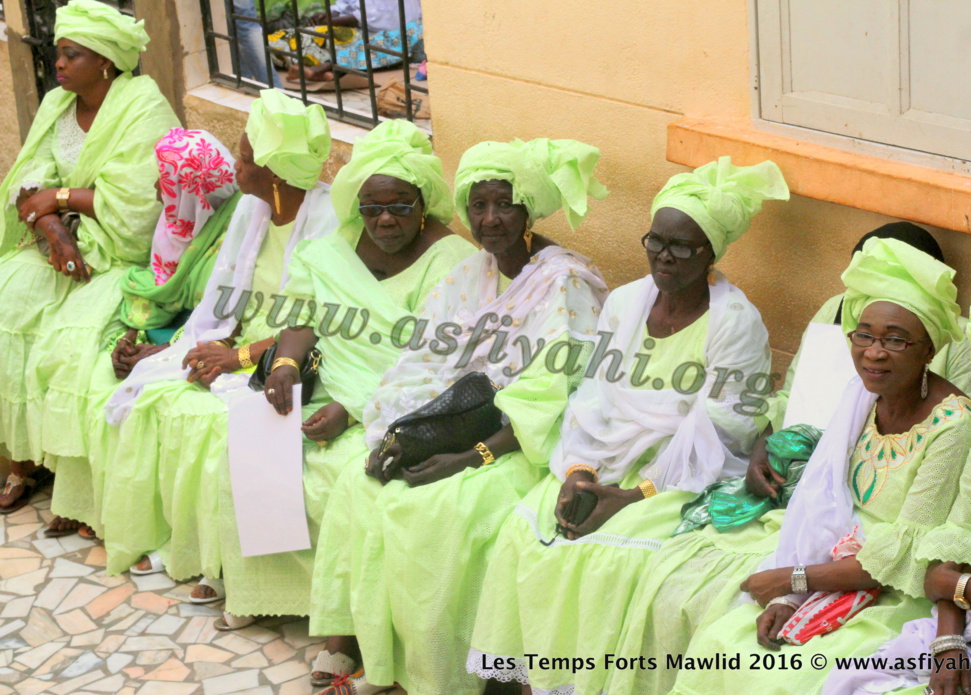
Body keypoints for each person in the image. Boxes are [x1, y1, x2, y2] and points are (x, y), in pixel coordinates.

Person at [467, 157, 790, 695]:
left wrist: (629, 495)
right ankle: (526, 684)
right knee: (525, 531)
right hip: (607, 456)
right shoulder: (625, 301)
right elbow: (594, 396)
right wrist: (579, 470)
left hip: (683, 475)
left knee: (603, 560)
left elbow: (720, 432)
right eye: (655, 241)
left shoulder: (735, 323)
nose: (664, 257)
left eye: (682, 246)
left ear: (710, 252)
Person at [307, 138, 610, 695]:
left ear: (528, 211)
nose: (489, 219)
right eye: (477, 205)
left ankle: (448, 671)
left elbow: (556, 399)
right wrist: (399, 428)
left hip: (519, 442)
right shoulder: (472, 272)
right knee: (362, 479)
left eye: (504, 205)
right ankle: (364, 646)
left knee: (447, 509)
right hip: (454, 421)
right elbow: (423, 358)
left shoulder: (563, 281)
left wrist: (466, 458)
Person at [668, 237, 971, 695]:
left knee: (790, 678)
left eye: (895, 340)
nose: (874, 352)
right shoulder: (863, 396)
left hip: (897, 592)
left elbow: (902, 557)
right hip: (833, 566)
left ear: (929, 348)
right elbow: (823, 501)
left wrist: (792, 579)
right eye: (865, 335)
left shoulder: (955, 425)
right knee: (722, 641)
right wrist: (792, 595)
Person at [210, 119, 474, 640]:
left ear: (424, 203)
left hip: (403, 404)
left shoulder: (453, 261)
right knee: (248, 443)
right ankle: (269, 592)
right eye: (371, 206)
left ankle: (345, 631)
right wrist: (285, 366)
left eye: (400, 205)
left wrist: (354, 411)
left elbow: (438, 366)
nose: (384, 219)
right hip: (331, 383)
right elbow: (302, 316)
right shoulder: (338, 244)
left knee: (346, 480)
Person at [98, 90, 335, 591]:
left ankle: (245, 576)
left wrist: (238, 358)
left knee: (216, 426)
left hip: (294, 357)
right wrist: (179, 350)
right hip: (237, 349)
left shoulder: (326, 222)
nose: (236, 166)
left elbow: (318, 320)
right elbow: (221, 306)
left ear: (274, 173)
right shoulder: (252, 211)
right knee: (157, 397)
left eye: (246, 158)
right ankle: (190, 549)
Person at [0, 0, 179, 513]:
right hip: (56, 241)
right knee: (9, 303)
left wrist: (57, 198)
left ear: (104, 60)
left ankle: (70, 476)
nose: (58, 65)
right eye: (57, 54)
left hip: (117, 255)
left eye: (70, 55)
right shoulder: (57, 105)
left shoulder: (143, 106)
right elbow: (27, 179)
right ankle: (21, 461)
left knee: (68, 346)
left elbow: (136, 210)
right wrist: (53, 228)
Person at [822, 285, 971, 695]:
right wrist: (948, 642)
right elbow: (958, 538)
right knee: (850, 680)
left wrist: (961, 587)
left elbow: (947, 578)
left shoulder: (956, 423)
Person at [45, 129, 240, 539]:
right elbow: (153, 291)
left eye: (164, 180)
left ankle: (148, 526)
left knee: (146, 401)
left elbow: (225, 318)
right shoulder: (176, 222)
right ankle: (96, 508)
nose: (155, 189)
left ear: (191, 191)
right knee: (94, 379)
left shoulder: (235, 234)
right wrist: (129, 340)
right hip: (164, 333)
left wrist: (165, 351)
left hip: (199, 341)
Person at [764, 222, 971, 435]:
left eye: (894, 339)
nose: (874, 352)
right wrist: (768, 442)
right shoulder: (839, 307)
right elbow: (793, 396)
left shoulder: (962, 339)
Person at [279, 0, 423, 82]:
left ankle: (324, 68)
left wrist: (331, 21)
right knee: (301, 36)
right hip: (367, 28)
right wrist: (325, 16)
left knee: (377, 45)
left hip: (401, 27)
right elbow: (344, 6)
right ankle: (329, 73)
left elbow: (376, 16)